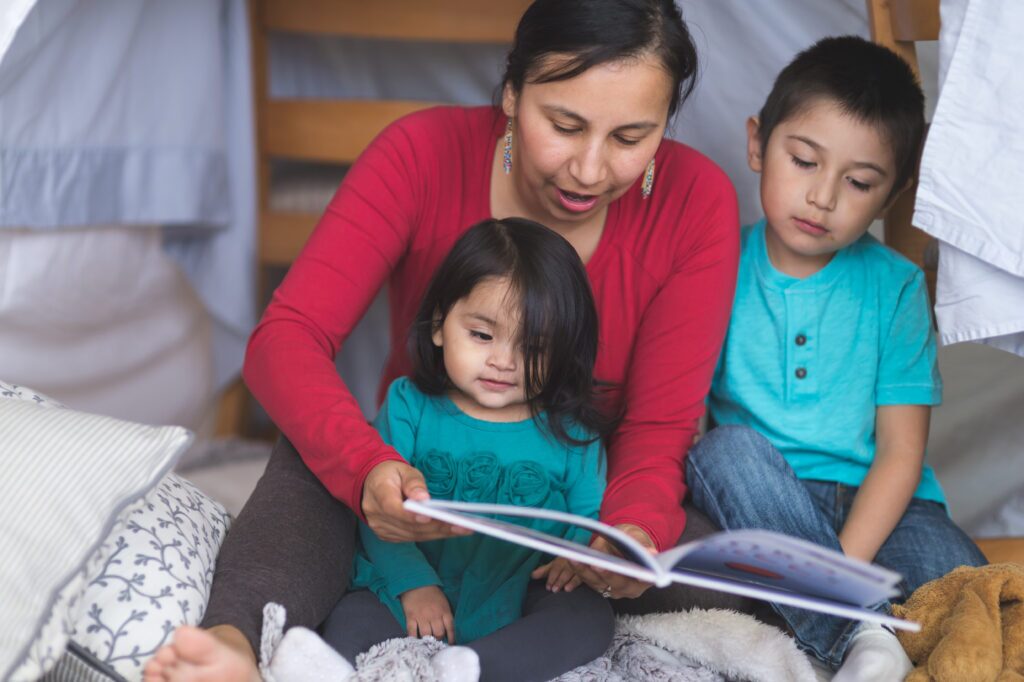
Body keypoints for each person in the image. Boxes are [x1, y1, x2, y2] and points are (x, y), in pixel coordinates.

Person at [144, 1, 740, 680]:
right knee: (312, 458)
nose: (590, 170)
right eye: (564, 125)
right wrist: (368, 466)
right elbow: (286, 339)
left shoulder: (697, 202)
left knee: (710, 560)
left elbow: (658, 429)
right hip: (414, 482)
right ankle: (232, 643)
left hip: (572, 511)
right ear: (512, 91)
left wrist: (628, 535)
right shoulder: (421, 153)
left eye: (632, 137)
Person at [684, 36, 988, 682]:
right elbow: (683, 419)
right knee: (721, 450)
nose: (823, 197)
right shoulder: (718, 267)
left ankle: (846, 624)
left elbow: (901, 456)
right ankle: (862, 634)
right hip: (758, 495)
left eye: (858, 182)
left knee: (968, 587)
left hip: (881, 506)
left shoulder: (896, 287)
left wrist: (839, 572)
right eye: (803, 161)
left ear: (893, 192)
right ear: (758, 144)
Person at [318, 217, 616, 680]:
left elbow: (588, 514)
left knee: (590, 619)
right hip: (415, 585)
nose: (503, 361)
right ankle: (316, 668)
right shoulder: (408, 407)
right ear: (439, 325)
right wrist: (414, 585)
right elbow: (378, 515)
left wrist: (572, 559)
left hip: (521, 593)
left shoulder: (573, 434)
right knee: (350, 616)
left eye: (534, 347)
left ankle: (477, 668)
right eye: (482, 335)